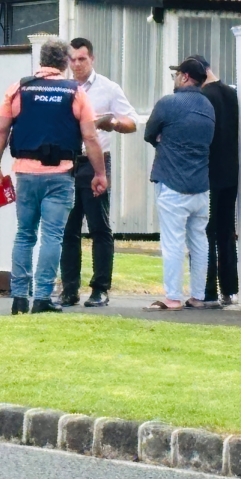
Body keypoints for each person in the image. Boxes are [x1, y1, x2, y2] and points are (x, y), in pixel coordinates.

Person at [0, 38, 108, 315]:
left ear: (40, 61)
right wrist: (99, 172)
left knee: (24, 235)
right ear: (65, 61)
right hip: (60, 174)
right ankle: (42, 297)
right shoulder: (76, 92)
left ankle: (19, 296)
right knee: (52, 236)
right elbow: (89, 136)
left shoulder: (18, 89)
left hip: (25, 174)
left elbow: (1, 131)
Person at [59, 38, 139, 308]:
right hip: (66, 162)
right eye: (72, 59)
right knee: (68, 228)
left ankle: (100, 288)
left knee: (99, 227)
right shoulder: (63, 88)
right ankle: (69, 289)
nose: (77, 64)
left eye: (82, 59)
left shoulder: (107, 88)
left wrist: (113, 122)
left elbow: (132, 122)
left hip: (96, 163)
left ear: (91, 59)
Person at [142, 57, 216, 311]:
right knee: (199, 240)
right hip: (201, 185)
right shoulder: (208, 106)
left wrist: (163, 139)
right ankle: (198, 296)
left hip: (172, 183)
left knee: (172, 241)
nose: (174, 78)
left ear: (184, 77)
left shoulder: (169, 103)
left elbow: (149, 133)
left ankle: (172, 297)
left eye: (176, 74)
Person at [193, 56, 240, 307]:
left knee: (204, 232)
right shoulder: (233, 95)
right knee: (225, 231)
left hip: (208, 173)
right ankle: (230, 289)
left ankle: (207, 289)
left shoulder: (203, 98)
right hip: (230, 173)